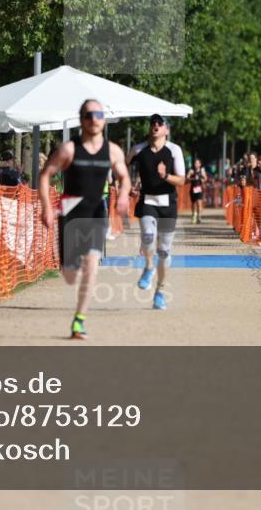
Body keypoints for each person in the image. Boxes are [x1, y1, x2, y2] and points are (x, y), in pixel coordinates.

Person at [39, 99, 130, 340]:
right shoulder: (68, 149)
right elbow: (45, 175)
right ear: (81, 119)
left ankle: (79, 320)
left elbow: (124, 176)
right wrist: (47, 207)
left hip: (96, 210)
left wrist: (122, 194)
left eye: (99, 114)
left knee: (91, 266)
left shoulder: (112, 150)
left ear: (103, 119)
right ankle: (70, 266)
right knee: (69, 274)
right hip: (71, 208)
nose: (94, 119)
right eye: (89, 115)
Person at [127, 113, 186, 310]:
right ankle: (148, 268)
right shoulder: (138, 149)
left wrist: (165, 175)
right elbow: (124, 168)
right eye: (153, 123)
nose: (156, 125)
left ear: (166, 130)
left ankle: (160, 292)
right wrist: (129, 186)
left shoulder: (174, 150)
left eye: (160, 123)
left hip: (168, 204)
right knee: (147, 236)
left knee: (164, 251)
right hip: (148, 201)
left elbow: (181, 180)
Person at [187, 158, 208, 224]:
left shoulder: (202, 170)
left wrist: (202, 179)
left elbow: (205, 178)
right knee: (193, 203)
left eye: (198, 163)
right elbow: (187, 178)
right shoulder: (191, 170)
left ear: (200, 164)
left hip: (199, 188)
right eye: (195, 163)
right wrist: (192, 178)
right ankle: (194, 215)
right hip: (193, 188)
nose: (196, 164)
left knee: (199, 202)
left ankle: (199, 216)